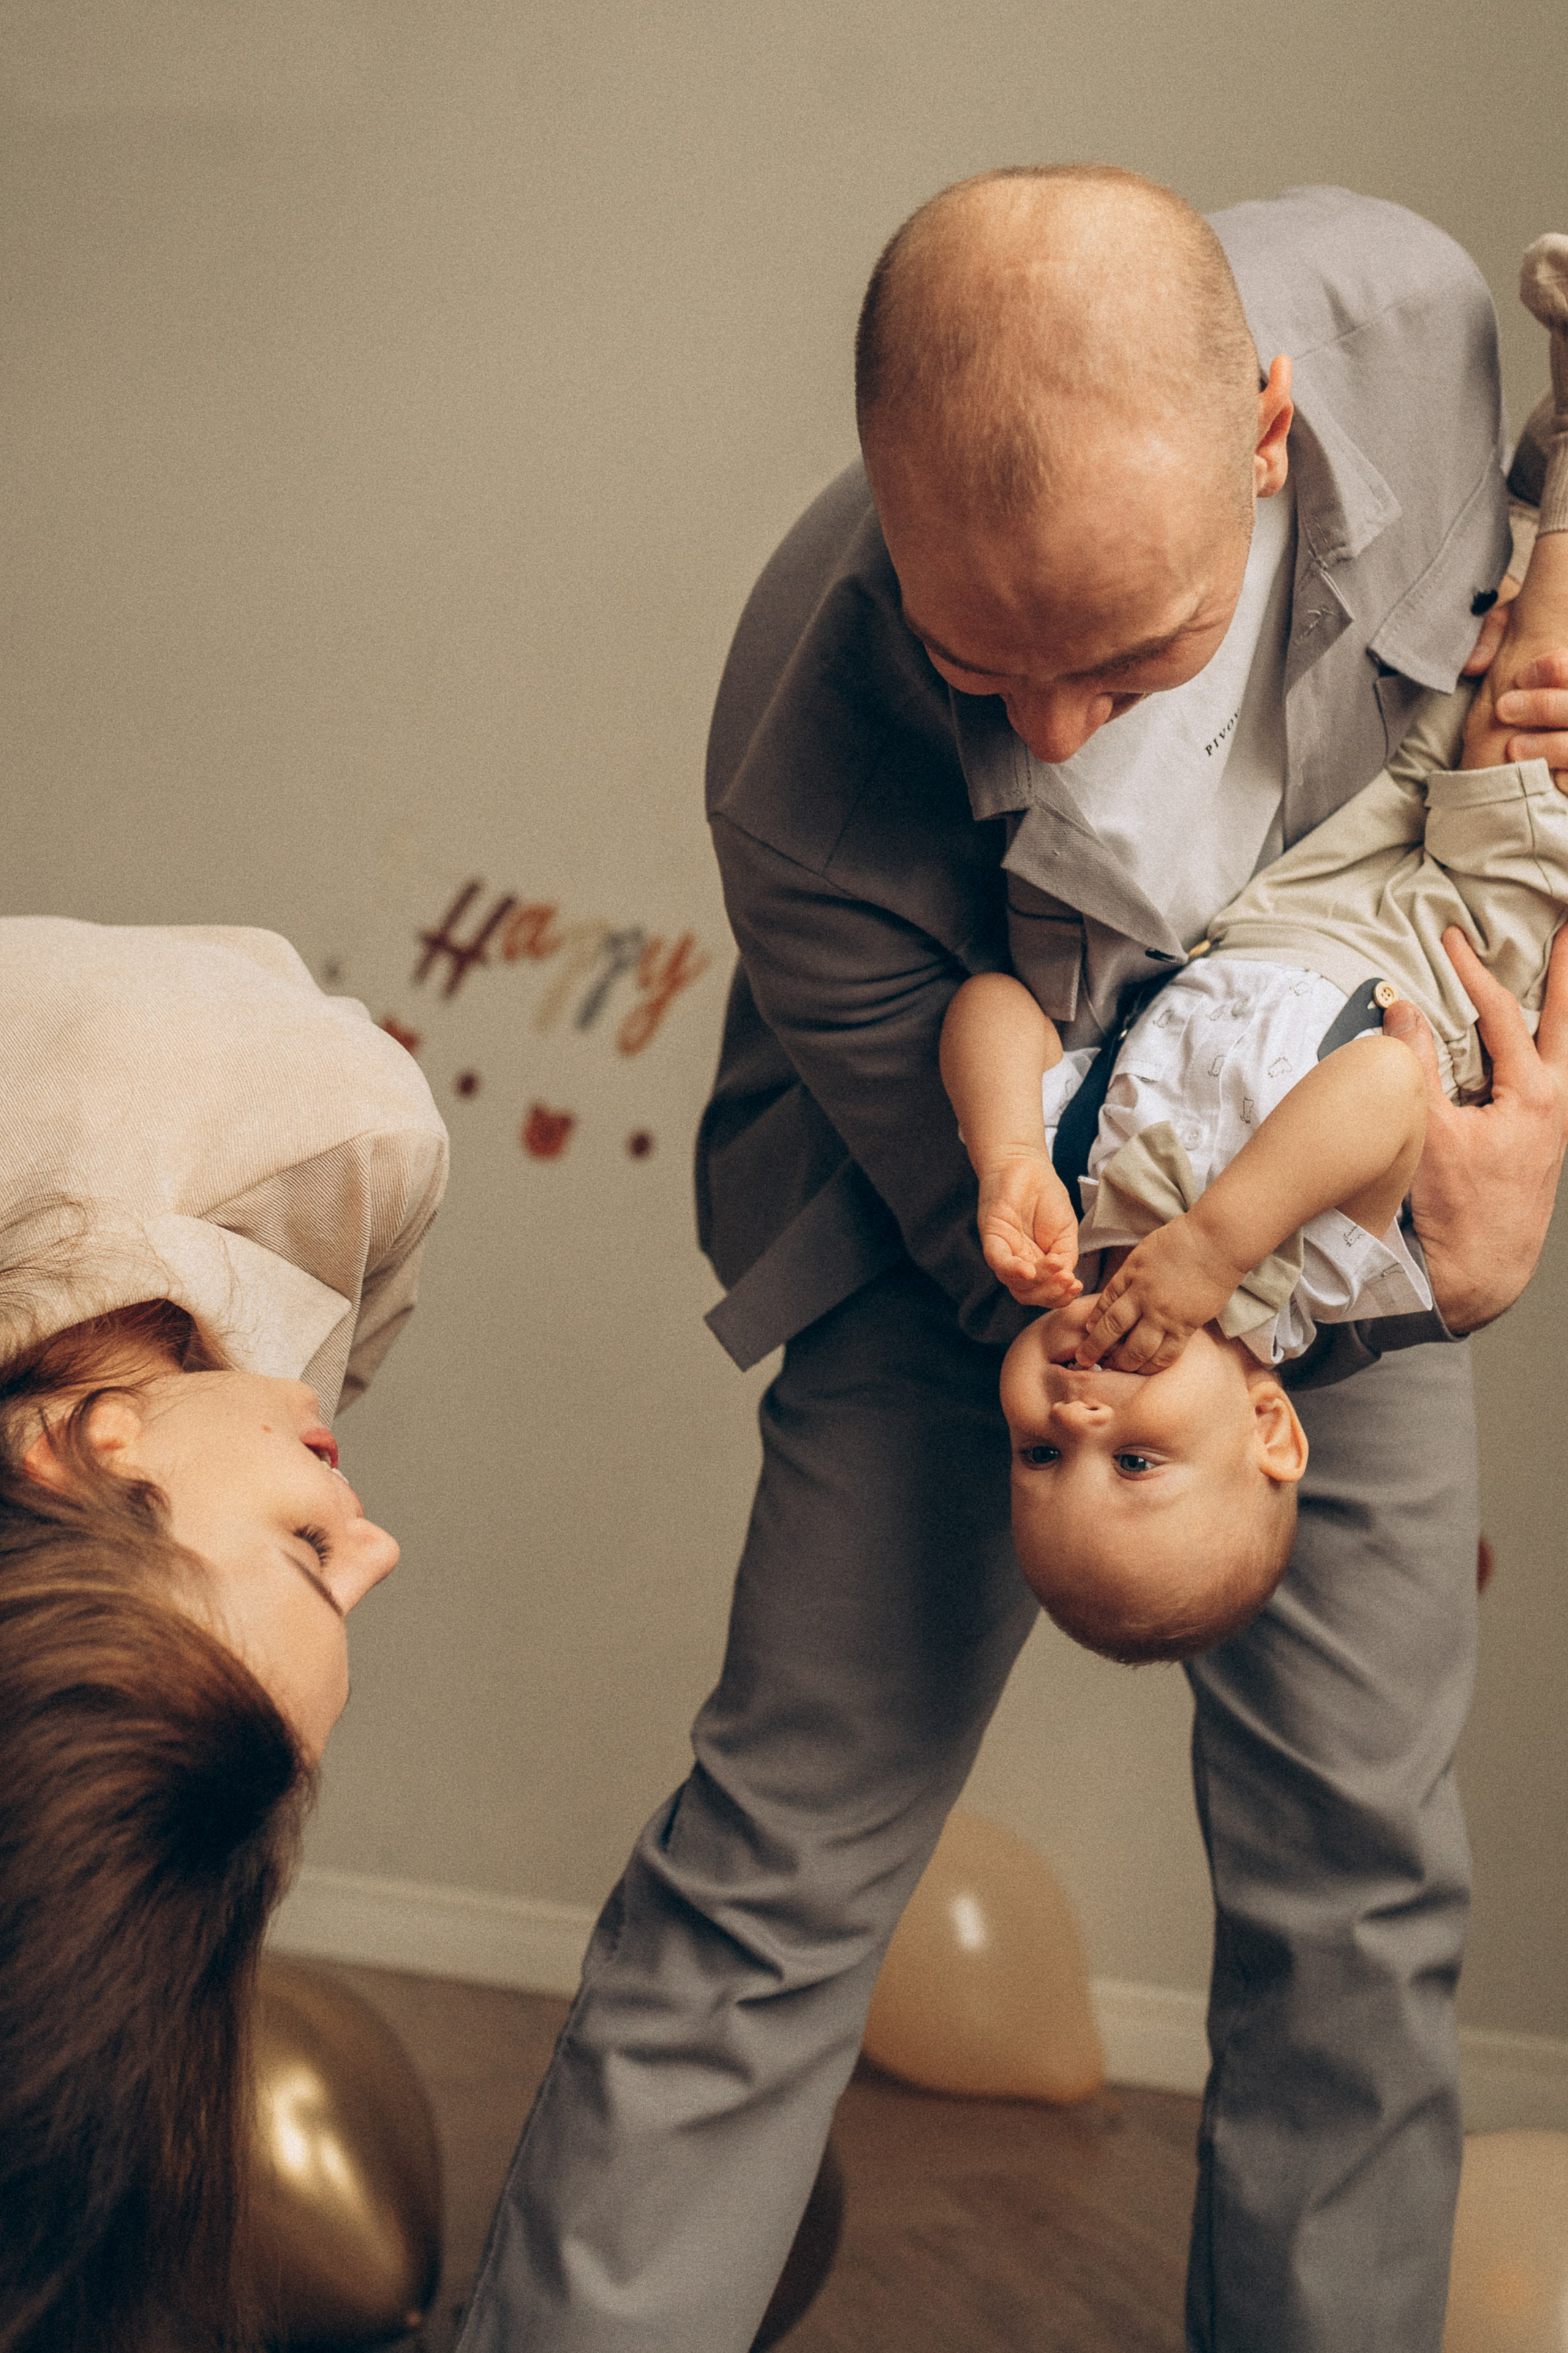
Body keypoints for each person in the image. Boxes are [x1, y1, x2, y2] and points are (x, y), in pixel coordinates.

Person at [458, 171, 1568, 2353]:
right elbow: (971, 1144)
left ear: (1267, 434)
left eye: (1128, 657)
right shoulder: (804, 733)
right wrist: (1144, 1334)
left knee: (1360, 1878)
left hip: (1335, 1212)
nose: (1055, 729)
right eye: (987, 666)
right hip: (976, 1225)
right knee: (773, 1869)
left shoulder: (1414, 347)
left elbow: (1502, 878)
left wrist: (1438, 1241)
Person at [943, 281, 1568, 1664]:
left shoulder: (1071, 1189)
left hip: (1286, 898)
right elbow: (1379, 1098)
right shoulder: (1307, 1289)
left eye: (1035, 1464)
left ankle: (1527, 500)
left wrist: (1001, 1155)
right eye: (1137, 1468)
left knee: (1433, 673)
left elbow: (988, 1005)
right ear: (1270, 1427)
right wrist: (1215, 1246)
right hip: (1450, 948)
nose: (1078, 1426)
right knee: (1525, 719)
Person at [0, 918, 448, 2353]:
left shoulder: (335, 1131)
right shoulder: (282, 1311)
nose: (375, 1538)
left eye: (310, 1553)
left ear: (86, 1450)